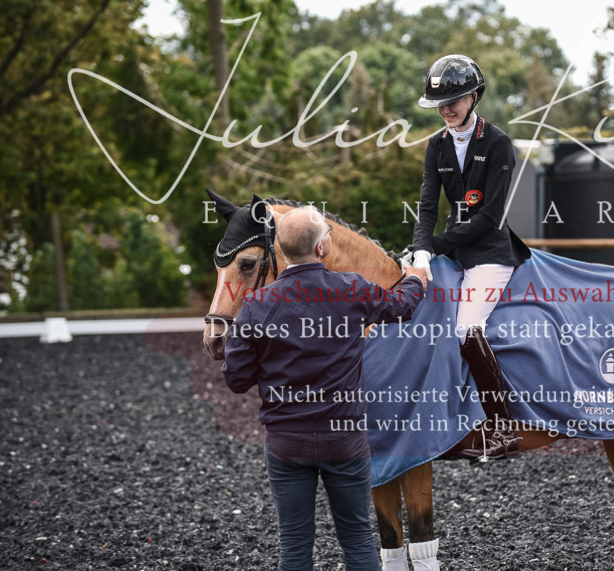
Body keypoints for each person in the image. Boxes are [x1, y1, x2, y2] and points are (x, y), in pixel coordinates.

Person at [223, 207, 427, 571]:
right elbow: (401, 307)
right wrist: (414, 278)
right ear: (321, 248)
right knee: (358, 539)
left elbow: (237, 379)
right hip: (344, 439)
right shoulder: (351, 288)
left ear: (281, 249)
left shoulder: (255, 307)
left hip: (286, 442)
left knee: (294, 545)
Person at [411, 54, 531, 462]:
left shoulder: (497, 144)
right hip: (452, 250)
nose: (445, 110)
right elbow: (428, 205)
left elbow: (490, 217)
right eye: (439, 104)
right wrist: (420, 249)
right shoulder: (436, 145)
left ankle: (503, 428)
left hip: (490, 253)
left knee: (465, 328)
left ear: (474, 97)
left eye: (453, 101)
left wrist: (436, 246)